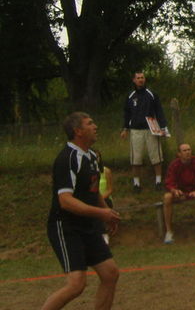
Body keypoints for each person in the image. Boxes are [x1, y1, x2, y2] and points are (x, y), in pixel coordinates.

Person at [42, 112, 121, 310]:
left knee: (110, 273)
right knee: (76, 284)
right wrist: (101, 214)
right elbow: (65, 201)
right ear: (78, 131)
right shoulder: (67, 159)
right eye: (90, 123)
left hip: (88, 224)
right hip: (66, 226)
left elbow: (93, 191)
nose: (95, 126)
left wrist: (107, 212)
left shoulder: (93, 156)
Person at [120, 71, 168, 193]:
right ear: (134, 80)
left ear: (144, 79)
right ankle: (136, 184)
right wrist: (125, 128)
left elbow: (159, 111)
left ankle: (158, 181)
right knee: (136, 158)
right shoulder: (130, 96)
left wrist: (163, 127)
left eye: (142, 77)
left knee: (156, 156)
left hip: (151, 128)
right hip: (135, 130)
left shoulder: (151, 94)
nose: (140, 80)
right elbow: (127, 113)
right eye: (138, 78)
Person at [162, 143, 195, 244]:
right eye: (184, 150)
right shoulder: (174, 165)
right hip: (180, 192)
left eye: (189, 150)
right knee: (167, 197)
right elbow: (169, 182)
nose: (187, 152)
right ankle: (169, 232)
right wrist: (175, 191)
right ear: (179, 154)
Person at [97, 151, 114, 245]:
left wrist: (101, 197)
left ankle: (104, 233)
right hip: (93, 199)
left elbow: (110, 189)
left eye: (97, 157)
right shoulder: (87, 172)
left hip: (105, 198)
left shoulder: (106, 171)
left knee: (101, 205)